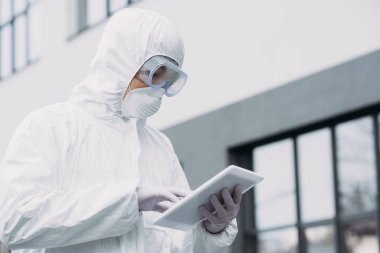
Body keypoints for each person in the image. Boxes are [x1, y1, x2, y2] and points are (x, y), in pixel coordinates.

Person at [0, 8, 241, 253]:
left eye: (168, 79)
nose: (159, 87)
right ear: (123, 61)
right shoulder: (51, 127)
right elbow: (16, 222)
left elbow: (175, 244)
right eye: (156, 73)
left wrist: (211, 228)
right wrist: (130, 200)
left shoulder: (159, 146)